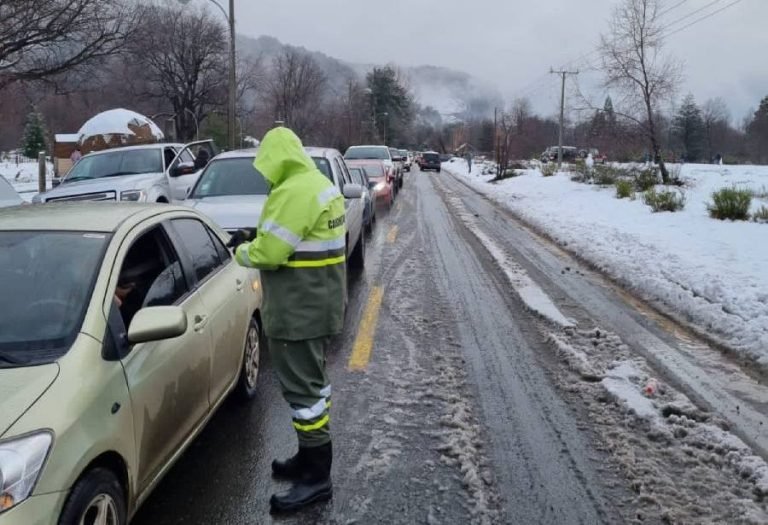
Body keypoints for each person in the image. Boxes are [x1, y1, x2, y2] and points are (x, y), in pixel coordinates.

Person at [231, 127, 346, 514]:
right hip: (320, 304)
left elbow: (270, 253)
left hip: (298, 311)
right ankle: (308, 458)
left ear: (276, 159)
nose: (264, 173)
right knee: (314, 386)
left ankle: (317, 478)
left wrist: (241, 249)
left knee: (303, 394)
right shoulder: (319, 183)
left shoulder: (292, 192)